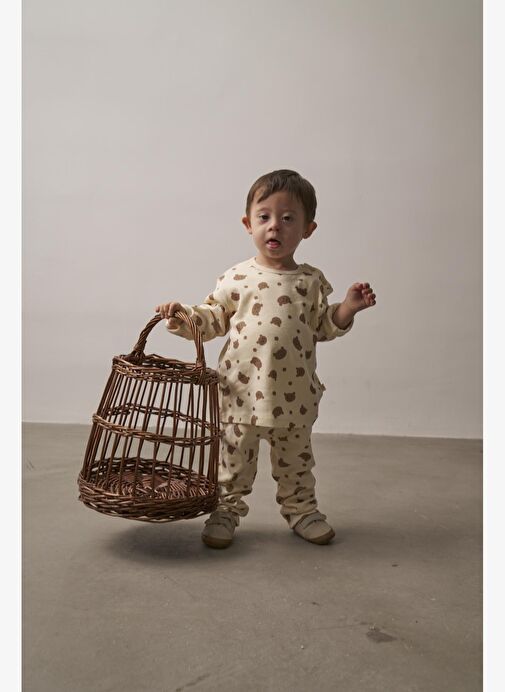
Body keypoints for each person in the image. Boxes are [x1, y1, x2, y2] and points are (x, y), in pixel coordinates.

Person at [155, 169, 376, 549]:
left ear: (308, 229)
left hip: (295, 397)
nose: (275, 226)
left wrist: (348, 308)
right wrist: (182, 316)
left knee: (297, 464)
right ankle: (225, 511)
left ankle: (302, 510)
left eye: (288, 218)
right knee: (233, 464)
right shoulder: (236, 277)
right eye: (264, 216)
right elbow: (213, 319)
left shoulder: (310, 281)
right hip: (240, 395)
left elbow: (324, 326)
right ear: (248, 224)